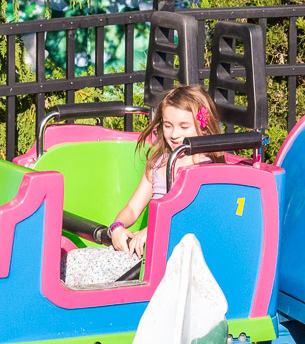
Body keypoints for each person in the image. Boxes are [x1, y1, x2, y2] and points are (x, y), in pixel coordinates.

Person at [61, 85, 224, 287]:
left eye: (184, 127)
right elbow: (132, 208)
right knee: (73, 261)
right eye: (168, 126)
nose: (174, 134)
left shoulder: (203, 168)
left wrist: (152, 230)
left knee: (87, 274)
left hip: (170, 257)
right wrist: (117, 227)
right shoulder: (159, 163)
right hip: (145, 251)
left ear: (203, 125)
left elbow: (193, 218)